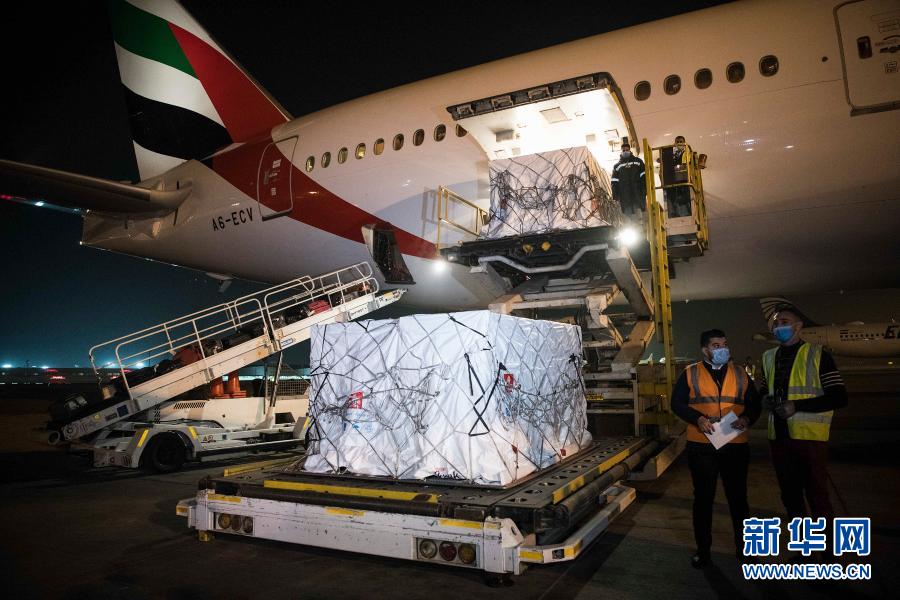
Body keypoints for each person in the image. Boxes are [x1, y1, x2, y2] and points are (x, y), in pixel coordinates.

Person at [671, 329, 761, 568]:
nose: (722, 349)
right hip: (702, 445)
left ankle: (745, 550)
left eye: (724, 344)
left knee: (738, 499)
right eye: (716, 345)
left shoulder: (740, 373)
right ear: (705, 350)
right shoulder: (690, 373)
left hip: (735, 445)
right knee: (703, 499)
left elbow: (754, 404)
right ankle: (703, 551)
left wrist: (747, 419)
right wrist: (697, 418)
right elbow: (676, 403)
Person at [762, 308, 847, 523]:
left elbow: (839, 397)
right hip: (779, 437)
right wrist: (764, 400)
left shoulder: (818, 355)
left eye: (784, 321)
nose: (778, 326)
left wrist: (797, 406)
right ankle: (801, 542)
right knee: (790, 497)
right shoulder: (768, 357)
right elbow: (764, 390)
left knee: (817, 496)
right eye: (776, 323)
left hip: (809, 439)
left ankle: (826, 544)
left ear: (798, 327)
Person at [610, 142, 646, 220]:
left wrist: (644, 191)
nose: (625, 152)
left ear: (630, 150)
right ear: (621, 151)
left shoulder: (638, 162)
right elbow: (614, 183)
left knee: (640, 218)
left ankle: (641, 226)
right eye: (624, 150)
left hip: (638, 196)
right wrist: (615, 197)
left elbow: (644, 177)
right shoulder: (617, 166)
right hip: (625, 198)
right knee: (629, 221)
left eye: (627, 150)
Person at [664, 135, 693, 218]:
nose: (679, 143)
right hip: (674, 178)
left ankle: (686, 213)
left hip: (684, 178)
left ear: (684, 142)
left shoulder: (688, 151)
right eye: (678, 142)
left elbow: (689, 162)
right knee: (673, 196)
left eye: (681, 141)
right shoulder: (672, 154)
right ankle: (675, 213)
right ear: (675, 143)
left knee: (684, 197)